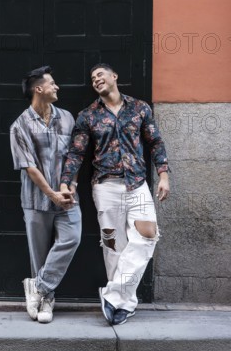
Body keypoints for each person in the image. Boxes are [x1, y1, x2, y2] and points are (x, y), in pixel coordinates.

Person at [60, 63, 170, 325]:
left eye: (100, 74)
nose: (96, 79)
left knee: (147, 236)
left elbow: (155, 142)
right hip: (105, 187)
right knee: (113, 246)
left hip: (137, 184)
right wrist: (67, 182)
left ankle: (112, 296)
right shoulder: (87, 116)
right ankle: (123, 304)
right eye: (92, 78)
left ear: (114, 77)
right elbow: (76, 153)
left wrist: (164, 175)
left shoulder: (140, 108)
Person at [10, 66, 82, 324]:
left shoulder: (67, 118)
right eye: (53, 83)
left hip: (68, 198)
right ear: (39, 89)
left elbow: (74, 157)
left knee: (71, 238)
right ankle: (46, 301)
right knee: (39, 256)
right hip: (36, 201)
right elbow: (29, 166)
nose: (57, 87)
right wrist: (51, 194)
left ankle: (37, 288)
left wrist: (69, 185)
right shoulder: (20, 126)